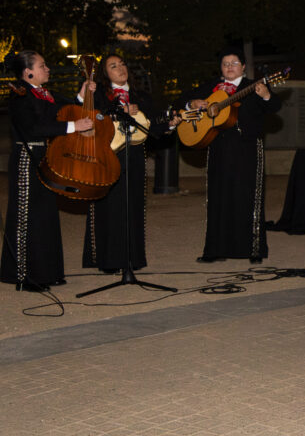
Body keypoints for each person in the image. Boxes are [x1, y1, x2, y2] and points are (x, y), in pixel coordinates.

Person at [2, 50, 94, 291]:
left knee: (45, 215)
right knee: (27, 216)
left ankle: (47, 272)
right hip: (26, 157)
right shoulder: (20, 95)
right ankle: (25, 276)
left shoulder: (43, 94)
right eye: (42, 65)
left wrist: (80, 95)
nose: (48, 69)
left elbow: (62, 109)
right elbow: (35, 127)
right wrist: (75, 126)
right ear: (27, 72)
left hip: (44, 157)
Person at [181, 50, 281, 264]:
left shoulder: (254, 85)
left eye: (234, 63)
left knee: (248, 197)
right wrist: (194, 104)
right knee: (218, 198)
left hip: (247, 147)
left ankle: (254, 250)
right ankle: (215, 249)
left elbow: (274, 106)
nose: (229, 66)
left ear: (243, 66)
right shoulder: (211, 87)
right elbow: (183, 100)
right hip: (218, 146)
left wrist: (265, 95)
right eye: (225, 63)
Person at [84, 55, 177, 273]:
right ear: (105, 74)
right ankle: (109, 260)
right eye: (113, 66)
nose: (120, 69)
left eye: (122, 64)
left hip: (134, 156)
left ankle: (132, 258)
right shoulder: (99, 95)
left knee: (133, 205)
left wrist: (170, 124)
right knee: (110, 206)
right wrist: (119, 112)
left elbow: (152, 124)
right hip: (107, 156)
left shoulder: (140, 96)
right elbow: (93, 118)